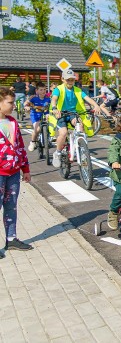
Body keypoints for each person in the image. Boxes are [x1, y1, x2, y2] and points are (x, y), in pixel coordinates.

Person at [50, 69, 107, 168]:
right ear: (63, 79)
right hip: (61, 114)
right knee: (63, 133)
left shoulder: (77, 90)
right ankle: (58, 153)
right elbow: (54, 99)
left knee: (80, 126)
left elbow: (87, 99)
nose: (70, 82)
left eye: (72, 79)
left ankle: (80, 147)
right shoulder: (58, 89)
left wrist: (96, 105)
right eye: (68, 80)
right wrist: (55, 108)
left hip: (73, 113)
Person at [0, 87, 33, 252]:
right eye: (10, 102)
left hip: (13, 173)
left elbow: (20, 146)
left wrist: (25, 168)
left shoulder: (12, 122)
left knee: (11, 206)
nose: (13, 106)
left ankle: (11, 238)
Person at [24, 82, 51, 151]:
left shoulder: (48, 99)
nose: (43, 91)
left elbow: (53, 105)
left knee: (51, 124)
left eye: (44, 89)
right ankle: (33, 142)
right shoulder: (33, 98)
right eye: (41, 90)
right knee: (37, 129)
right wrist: (27, 106)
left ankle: (49, 138)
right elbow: (26, 103)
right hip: (35, 115)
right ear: (37, 91)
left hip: (45, 115)